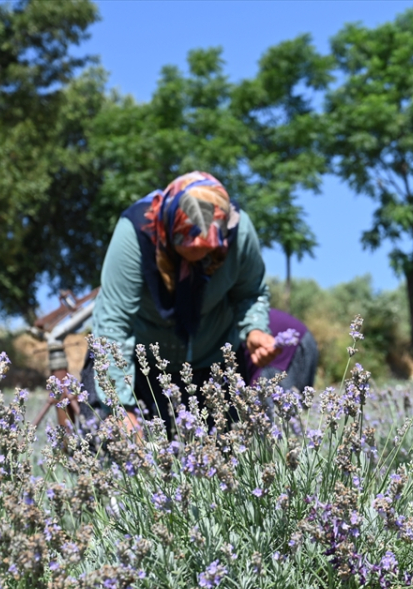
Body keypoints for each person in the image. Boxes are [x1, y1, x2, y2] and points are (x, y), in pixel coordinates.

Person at [84, 171, 281, 433]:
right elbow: (113, 322)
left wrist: (255, 329)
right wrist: (120, 407)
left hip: (211, 366)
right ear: (168, 228)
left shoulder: (239, 232)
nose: (196, 263)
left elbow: (250, 294)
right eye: (186, 250)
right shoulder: (136, 232)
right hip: (141, 368)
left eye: (206, 252)